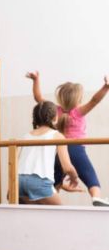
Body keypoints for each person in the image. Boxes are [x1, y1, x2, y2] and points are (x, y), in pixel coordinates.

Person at [27, 71, 109, 206]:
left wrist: (36, 80)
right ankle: (96, 197)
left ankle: (49, 200)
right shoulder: (79, 112)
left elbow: (38, 98)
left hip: (60, 151)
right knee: (90, 176)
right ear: (78, 99)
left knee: (55, 180)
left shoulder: (56, 111)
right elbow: (94, 101)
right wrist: (106, 87)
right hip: (77, 150)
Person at [18, 101, 79, 205]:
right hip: (39, 183)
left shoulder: (25, 136)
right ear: (55, 118)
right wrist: (74, 178)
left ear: (35, 118)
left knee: (33, 216)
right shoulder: (57, 136)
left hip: (18, 182)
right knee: (61, 215)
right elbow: (67, 167)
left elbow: (17, 163)